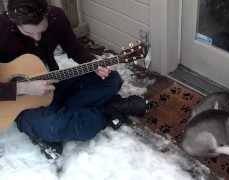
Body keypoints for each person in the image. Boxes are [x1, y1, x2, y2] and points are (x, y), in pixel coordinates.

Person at [0, 0, 148, 160]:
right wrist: (24, 89)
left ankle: (63, 120)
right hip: (21, 107)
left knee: (111, 79)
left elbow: (74, 49)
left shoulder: (56, 17)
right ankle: (109, 109)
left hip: (53, 84)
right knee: (62, 126)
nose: (37, 37)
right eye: (29, 33)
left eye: (42, 30)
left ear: (46, 13)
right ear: (13, 21)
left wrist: (92, 63)